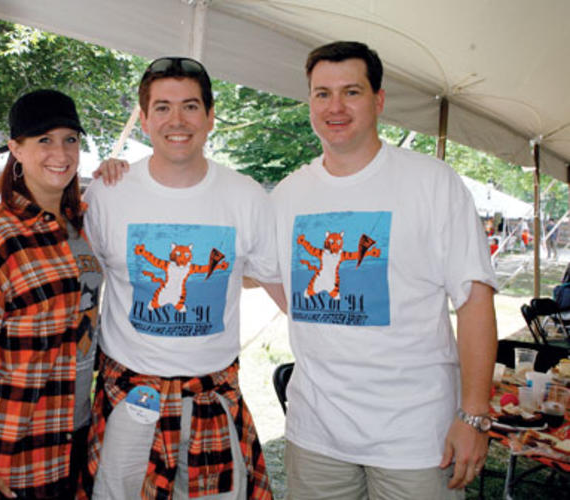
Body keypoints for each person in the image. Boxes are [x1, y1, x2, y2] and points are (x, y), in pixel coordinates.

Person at [270, 41, 498, 498]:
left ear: (378, 99)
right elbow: (274, 277)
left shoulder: (432, 183)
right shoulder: (287, 194)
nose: (335, 107)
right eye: (321, 93)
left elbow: (474, 301)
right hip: (316, 434)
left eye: (351, 92)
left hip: (417, 439)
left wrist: (473, 414)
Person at [83, 57, 282, 499]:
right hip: (130, 401)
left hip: (211, 401)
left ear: (210, 117)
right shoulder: (107, 194)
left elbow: (274, 283)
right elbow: (81, 285)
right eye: (162, 107)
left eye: (190, 106)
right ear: (145, 118)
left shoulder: (246, 196)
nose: (177, 120)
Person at [0, 89, 101, 499]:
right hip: (9, 456)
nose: (60, 152)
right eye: (43, 140)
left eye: (70, 139)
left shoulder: (79, 225)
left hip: (73, 437)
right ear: (16, 148)